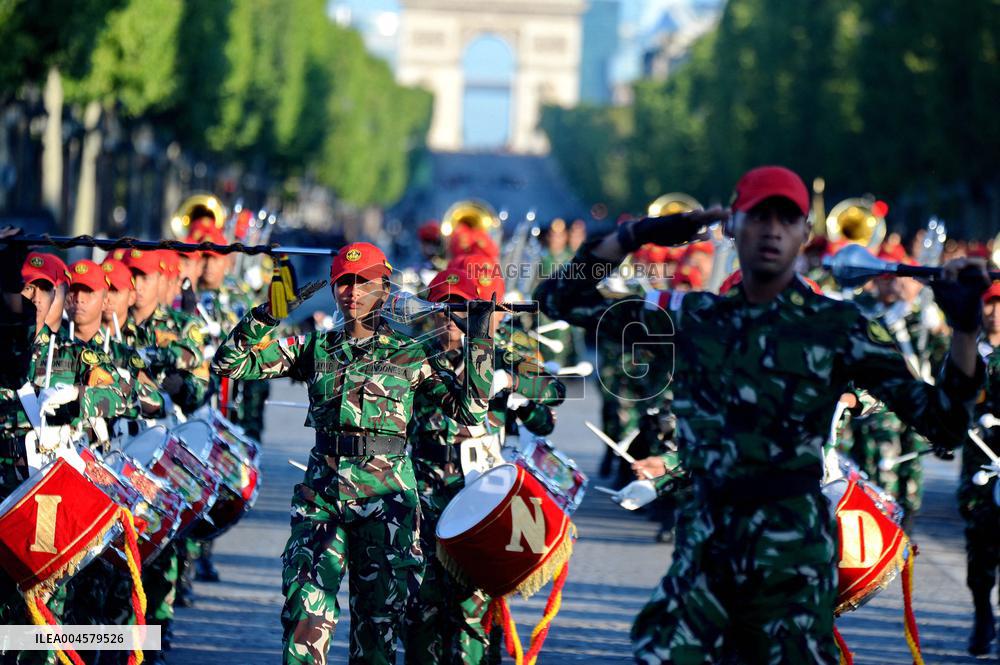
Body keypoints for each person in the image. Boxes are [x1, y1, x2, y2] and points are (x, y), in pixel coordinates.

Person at [534, 165, 988, 664]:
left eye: (786, 217)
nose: (772, 228)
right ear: (732, 225)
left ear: (804, 234)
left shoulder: (838, 328)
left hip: (791, 562)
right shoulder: (692, 317)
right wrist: (637, 234)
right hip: (706, 557)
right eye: (759, 215)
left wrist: (965, 330)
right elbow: (560, 297)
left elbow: (943, 422)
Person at [212, 241, 495, 665]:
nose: (352, 291)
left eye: (364, 281)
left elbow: (470, 408)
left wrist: (480, 340)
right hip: (322, 499)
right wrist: (267, 315)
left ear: (385, 286)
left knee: (377, 626)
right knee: (306, 612)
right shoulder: (315, 348)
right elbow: (229, 364)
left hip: (387, 504)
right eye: (344, 282)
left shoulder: (413, 353)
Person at [404, 266, 565, 664]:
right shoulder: (414, 355)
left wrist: (511, 388)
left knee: (474, 610)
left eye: (458, 309)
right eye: (440, 308)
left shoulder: (502, 356)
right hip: (422, 492)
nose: (447, 318)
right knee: (421, 609)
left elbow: (555, 393)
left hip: (479, 497)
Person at [959, 281, 1000, 655]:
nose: (996, 313)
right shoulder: (969, 350)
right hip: (979, 468)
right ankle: (982, 615)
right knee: (980, 549)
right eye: (989, 305)